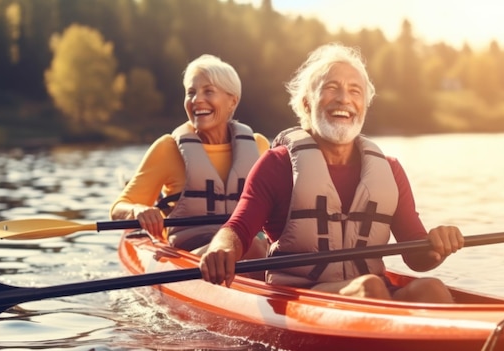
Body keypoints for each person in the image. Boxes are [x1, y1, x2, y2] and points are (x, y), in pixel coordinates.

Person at [198, 43, 465, 303]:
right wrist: (222, 247)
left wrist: (438, 245)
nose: (344, 99)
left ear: (364, 106)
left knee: (432, 289)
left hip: (373, 293)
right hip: (302, 297)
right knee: (369, 288)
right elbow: (238, 229)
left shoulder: (391, 170)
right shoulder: (277, 165)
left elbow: (416, 257)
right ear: (305, 104)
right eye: (331, 88)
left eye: (355, 91)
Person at [110, 54, 270, 259]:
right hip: (193, 255)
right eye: (191, 92)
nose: (197, 100)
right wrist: (137, 210)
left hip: (249, 246)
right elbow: (117, 209)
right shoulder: (167, 148)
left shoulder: (258, 146)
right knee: (250, 249)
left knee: (257, 248)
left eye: (208, 91)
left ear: (232, 101)